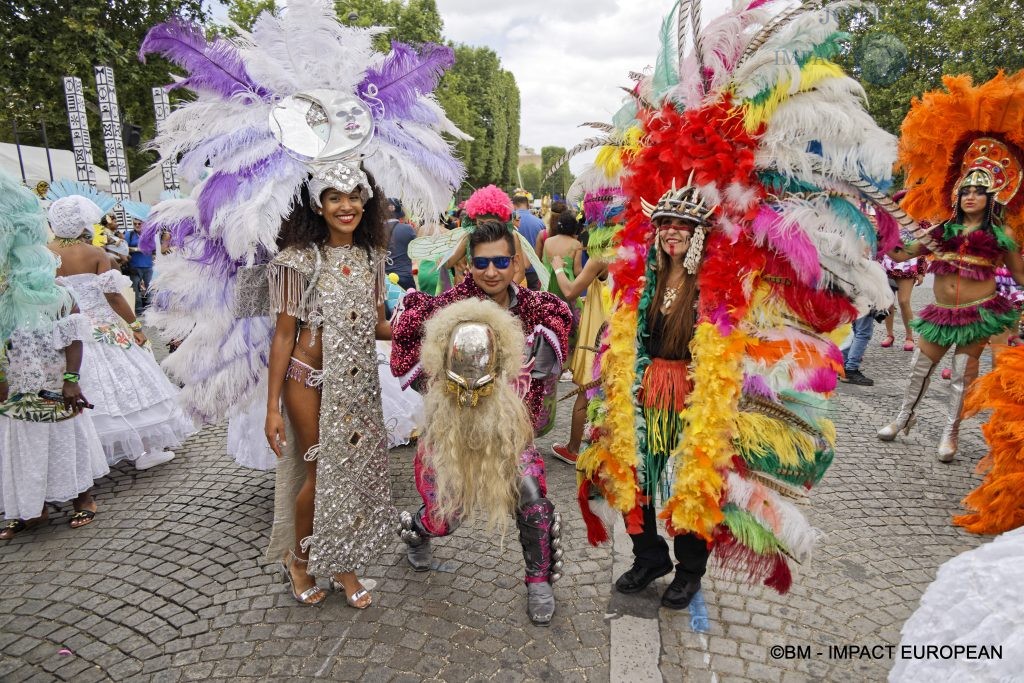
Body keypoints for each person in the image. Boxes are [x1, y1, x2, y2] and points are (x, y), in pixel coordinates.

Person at [392, 219, 574, 625]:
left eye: (500, 261)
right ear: (468, 265)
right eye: (481, 262)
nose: (491, 271)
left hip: (508, 435)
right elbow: (409, 332)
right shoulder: (452, 304)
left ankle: (539, 580)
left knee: (531, 494)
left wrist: (543, 352)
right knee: (446, 517)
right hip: (456, 433)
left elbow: (558, 331)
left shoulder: (536, 308)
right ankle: (416, 529)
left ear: (515, 262)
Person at [264, 173, 393, 608]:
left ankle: (342, 563)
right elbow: (283, 336)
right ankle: (298, 561)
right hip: (307, 381)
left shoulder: (371, 258)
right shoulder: (298, 261)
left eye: (354, 197)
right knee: (322, 478)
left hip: (356, 385)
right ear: (318, 206)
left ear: (366, 203)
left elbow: (378, 323)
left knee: (352, 478)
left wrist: (424, 327)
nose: (345, 206)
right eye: (334, 197)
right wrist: (271, 408)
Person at [878, 84, 1024, 462]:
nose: (970, 196)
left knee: (962, 378)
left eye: (979, 190)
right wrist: (882, 234)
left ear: (993, 197)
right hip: (941, 313)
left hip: (979, 315)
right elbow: (905, 251)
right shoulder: (942, 230)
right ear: (956, 195)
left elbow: (1020, 277)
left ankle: (951, 435)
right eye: (965, 190)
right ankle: (900, 420)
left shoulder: (1002, 234)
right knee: (918, 369)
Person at [46, 195, 194, 470]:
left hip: (64, 332)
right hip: (103, 328)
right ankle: (145, 450)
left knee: (74, 385)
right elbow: (113, 296)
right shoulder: (94, 253)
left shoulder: (45, 254)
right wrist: (136, 326)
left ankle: (86, 455)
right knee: (130, 383)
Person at [0, 171, 108, 540]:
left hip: (54, 382)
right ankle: (31, 506)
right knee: (22, 446)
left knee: (64, 439)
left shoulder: (54, 289)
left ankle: (84, 499)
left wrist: (71, 379)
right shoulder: (3, 296)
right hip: (16, 386)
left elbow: (73, 336)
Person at [513, 192, 545, 290]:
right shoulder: (539, 222)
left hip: (515, 271)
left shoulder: (509, 222)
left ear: (514, 205)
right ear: (527, 205)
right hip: (535, 270)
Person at [385, 198, 417, 291]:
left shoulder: (375, 231)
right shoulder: (408, 229)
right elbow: (416, 250)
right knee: (410, 304)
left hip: (385, 279)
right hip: (405, 277)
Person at [125, 219, 155, 316]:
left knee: (150, 288)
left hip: (148, 265)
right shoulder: (129, 234)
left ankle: (151, 308)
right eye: (135, 224)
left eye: (139, 223)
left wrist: (144, 248)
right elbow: (124, 248)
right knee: (135, 289)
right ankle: (138, 310)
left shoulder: (149, 234)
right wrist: (137, 249)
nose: (137, 225)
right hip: (134, 266)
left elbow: (153, 247)